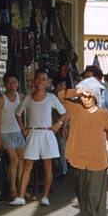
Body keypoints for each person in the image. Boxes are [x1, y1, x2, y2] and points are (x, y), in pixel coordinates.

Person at [58, 81, 108, 216]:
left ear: (95, 97)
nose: (86, 99)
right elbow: (61, 96)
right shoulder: (76, 110)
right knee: (83, 196)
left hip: (98, 161)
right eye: (84, 96)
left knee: (94, 196)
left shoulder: (103, 113)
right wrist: (78, 90)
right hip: (79, 160)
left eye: (89, 95)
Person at [10, 69, 67, 206]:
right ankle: (21, 196)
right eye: (38, 79)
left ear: (47, 82)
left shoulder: (51, 98)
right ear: (33, 80)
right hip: (34, 133)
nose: (40, 82)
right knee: (28, 164)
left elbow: (64, 113)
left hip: (47, 133)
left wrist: (58, 124)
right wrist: (23, 128)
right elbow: (18, 113)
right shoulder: (28, 98)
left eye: (43, 79)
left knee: (48, 165)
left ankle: (45, 196)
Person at [0, 72, 26, 201]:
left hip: (18, 132)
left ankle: (21, 188)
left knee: (22, 159)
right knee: (14, 160)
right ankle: (13, 189)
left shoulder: (21, 97)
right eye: (9, 83)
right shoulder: (1, 100)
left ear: (18, 84)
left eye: (14, 82)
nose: (12, 85)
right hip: (5, 133)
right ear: (4, 84)